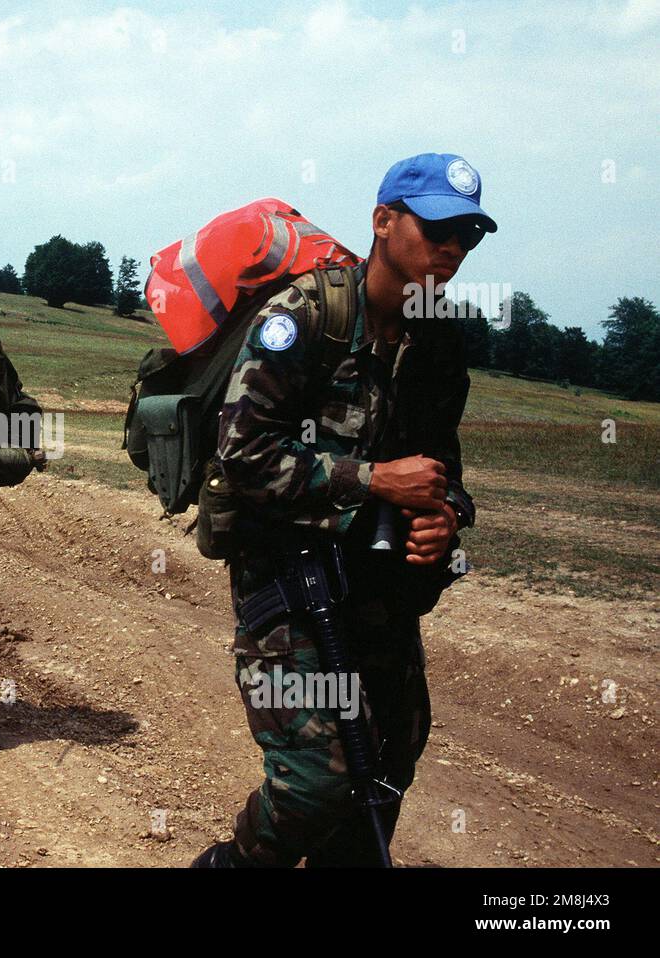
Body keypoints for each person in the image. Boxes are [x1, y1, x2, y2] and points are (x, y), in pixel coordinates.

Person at [194, 153, 492, 867]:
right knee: (313, 785)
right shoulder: (306, 318)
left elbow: (441, 466)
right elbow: (242, 453)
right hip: (289, 580)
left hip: (377, 588)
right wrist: (374, 480)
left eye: (469, 236)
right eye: (438, 228)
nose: (452, 248)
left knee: (390, 758)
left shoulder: (439, 341)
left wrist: (446, 512)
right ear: (383, 222)